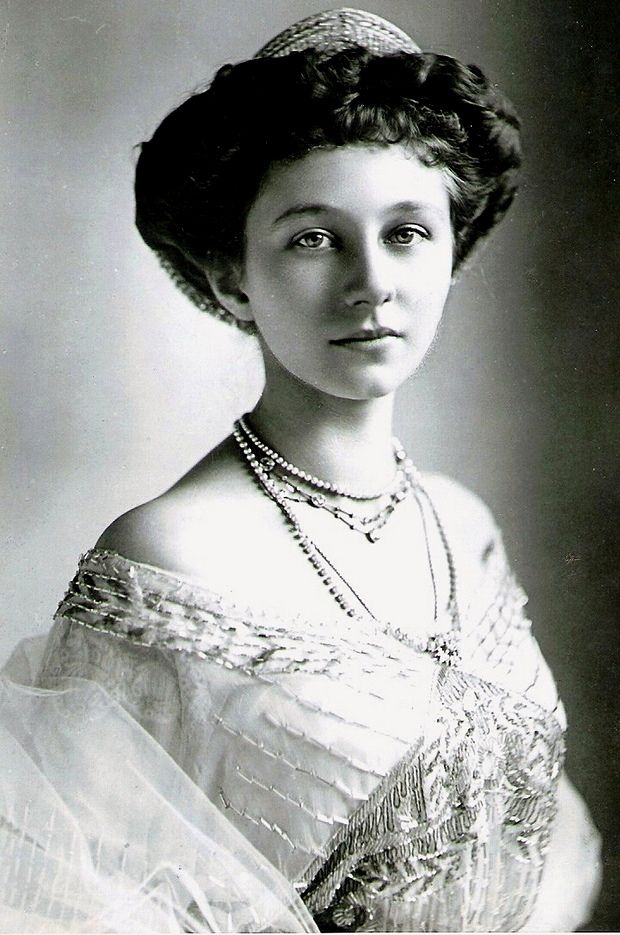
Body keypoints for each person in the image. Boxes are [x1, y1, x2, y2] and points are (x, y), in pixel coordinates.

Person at [0, 8, 601, 932]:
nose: (372, 283)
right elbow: (77, 899)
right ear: (233, 275)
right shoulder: (168, 553)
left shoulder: (463, 523)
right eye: (313, 238)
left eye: (407, 233)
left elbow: (538, 838)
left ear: (452, 251)